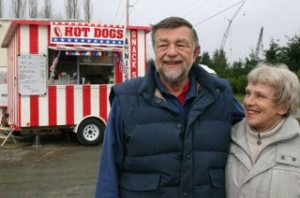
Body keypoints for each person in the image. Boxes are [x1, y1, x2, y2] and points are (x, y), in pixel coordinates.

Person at [95, 16, 244, 198]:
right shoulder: (126, 99)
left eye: (181, 44)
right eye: (163, 45)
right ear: (155, 52)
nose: (171, 52)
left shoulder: (221, 94)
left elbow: (256, 134)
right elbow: (108, 171)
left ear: (195, 52)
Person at [226, 63, 300, 198]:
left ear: (283, 107)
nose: (248, 102)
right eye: (248, 93)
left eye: (260, 96)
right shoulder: (228, 137)